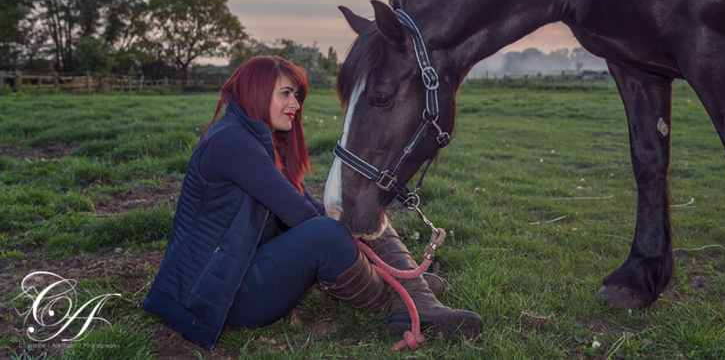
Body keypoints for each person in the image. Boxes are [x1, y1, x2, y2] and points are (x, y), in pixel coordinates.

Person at [142, 56, 482, 350]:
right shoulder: (231, 141)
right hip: (216, 299)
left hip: (236, 274)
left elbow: (304, 206)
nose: (296, 104)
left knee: (358, 209)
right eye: (286, 93)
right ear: (256, 92)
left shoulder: (257, 140)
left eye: (297, 95)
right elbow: (301, 215)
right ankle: (403, 299)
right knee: (325, 233)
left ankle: (412, 290)